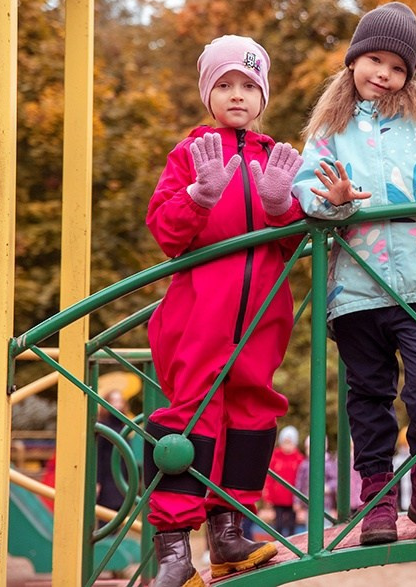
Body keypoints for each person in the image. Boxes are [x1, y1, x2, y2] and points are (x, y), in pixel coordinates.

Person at [291, 2, 416, 546]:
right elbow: (305, 188)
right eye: (375, 59)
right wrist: (333, 201)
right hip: (356, 284)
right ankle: (375, 496)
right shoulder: (330, 125)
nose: (385, 74)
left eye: (398, 67)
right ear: (353, 59)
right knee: (369, 394)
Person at [145, 34, 304, 587]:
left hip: (262, 314)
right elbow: (165, 232)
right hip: (198, 313)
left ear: (263, 97)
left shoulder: (275, 157)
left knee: (254, 409)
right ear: (207, 94)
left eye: (249, 86)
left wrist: (283, 205)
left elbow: (297, 241)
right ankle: (173, 547)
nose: (238, 95)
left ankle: (229, 533)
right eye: (225, 84)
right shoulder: (190, 154)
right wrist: (198, 196)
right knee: (191, 413)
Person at [264, 425, 305, 537]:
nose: (287, 446)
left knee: (292, 525)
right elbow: (269, 479)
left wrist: (300, 500)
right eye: (285, 442)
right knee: (278, 525)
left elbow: (302, 481)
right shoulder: (275, 457)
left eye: (290, 442)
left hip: (293, 499)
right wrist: (268, 497)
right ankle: (278, 542)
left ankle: (291, 543)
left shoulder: (299, 459)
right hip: (277, 498)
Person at [96, 389, 129, 512]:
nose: (117, 404)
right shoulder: (102, 426)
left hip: (121, 478)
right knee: (107, 513)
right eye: (114, 401)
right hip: (106, 479)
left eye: (120, 401)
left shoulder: (124, 426)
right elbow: (97, 455)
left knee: (120, 512)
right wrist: (97, 481)